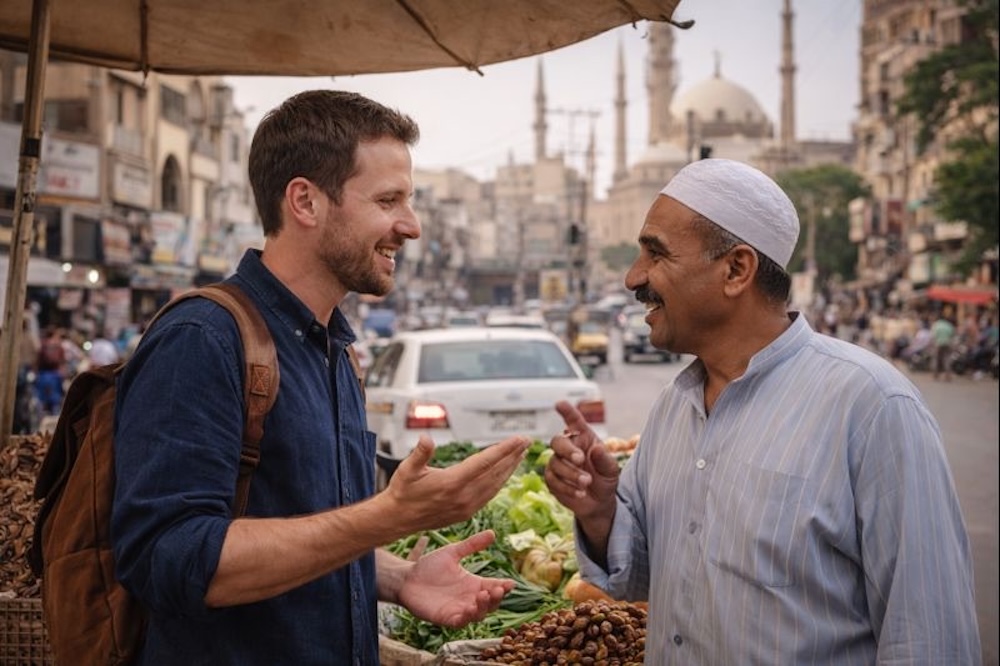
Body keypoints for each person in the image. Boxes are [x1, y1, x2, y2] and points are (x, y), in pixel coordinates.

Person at [112, 90, 531, 665]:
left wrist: (398, 578)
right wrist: (389, 516)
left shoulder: (334, 348)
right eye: (388, 200)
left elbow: (300, 528)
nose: (409, 227)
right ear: (306, 202)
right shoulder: (204, 339)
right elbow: (170, 559)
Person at [544, 158, 980, 664]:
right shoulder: (674, 407)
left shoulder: (872, 407)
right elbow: (644, 576)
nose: (633, 277)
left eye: (656, 254)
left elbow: (929, 637)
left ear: (736, 270)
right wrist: (600, 512)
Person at [931, 307, 957, 381]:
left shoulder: (936, 325)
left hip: (938, 344)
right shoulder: (949, 325)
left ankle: (935, 375)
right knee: (947, 359)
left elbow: (933, 335)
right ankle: (948, 375)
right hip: (947, 343)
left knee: (937, 359)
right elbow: (953, 335)